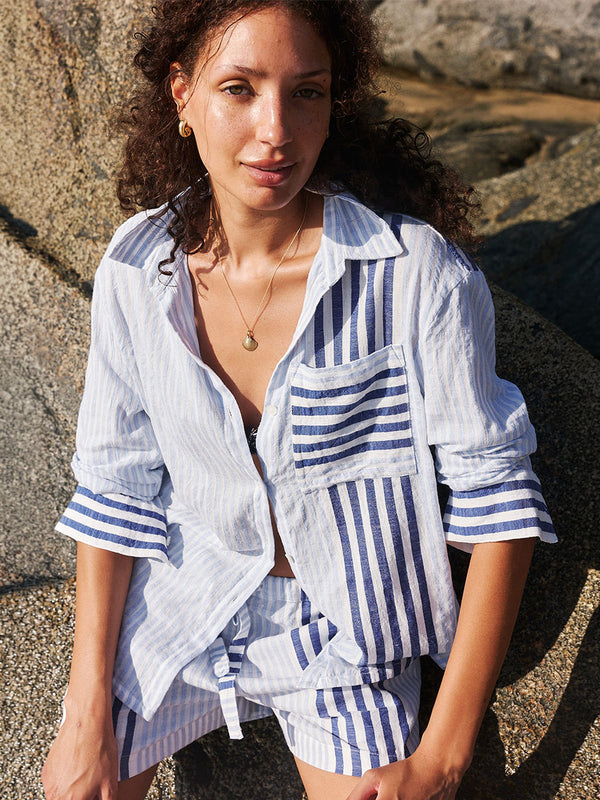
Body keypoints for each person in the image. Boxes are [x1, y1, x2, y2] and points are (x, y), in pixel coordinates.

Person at [41, 1, 556, 799]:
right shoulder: (137, 269)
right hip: (187, 597)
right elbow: (115, 488)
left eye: (305, 92)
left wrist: (443, 757)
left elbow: (501, 510)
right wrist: (83, 714)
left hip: (343, 636)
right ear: (182, 95)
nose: (276, 130)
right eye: (239, 88)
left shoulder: (415, 274)